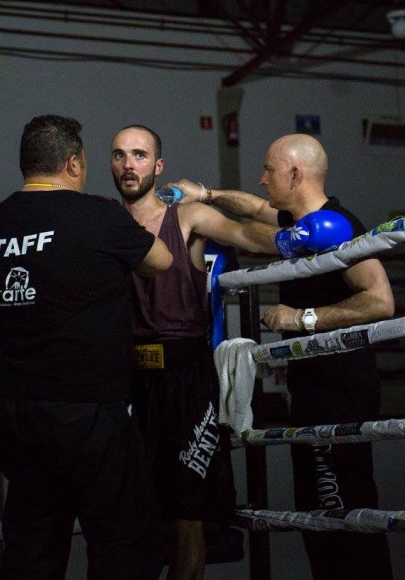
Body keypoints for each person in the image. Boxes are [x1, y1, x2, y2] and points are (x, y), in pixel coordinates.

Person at [171, 133, 395, 580]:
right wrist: (207, 194)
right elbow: (253, 208)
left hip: (340, 389)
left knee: (339, 512)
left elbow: (381, 300)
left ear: (295, 174)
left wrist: (303, 318)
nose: (262, 178)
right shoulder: (297, 222)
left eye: (269, 170)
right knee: (314, 515)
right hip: (311, 388)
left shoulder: (338, 227)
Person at [0, 115, 173, 580]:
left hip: (14, 412)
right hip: (86, 411)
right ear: (72, 162)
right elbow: (160, 261)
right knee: (126, 547)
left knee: (32, 548)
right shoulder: (96, 214)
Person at [109, 125, 277, 580]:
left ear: (157, 166)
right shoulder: (104, 223)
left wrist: (298, 237)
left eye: (140, 155)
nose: (129, 164)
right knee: (130, 513)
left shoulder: (187, 217)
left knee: (189, 512)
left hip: (185, 377)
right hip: (127, 379)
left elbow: (247, 234)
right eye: (120, 155)